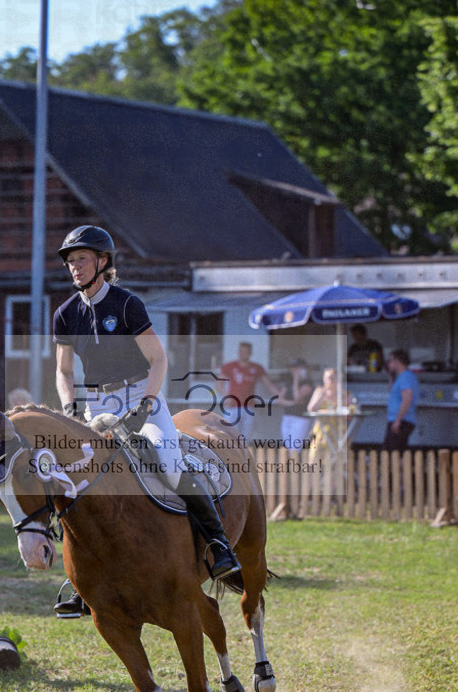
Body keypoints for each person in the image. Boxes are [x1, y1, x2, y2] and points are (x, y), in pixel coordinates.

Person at [52, 224, 242, 618]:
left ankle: (219, 545)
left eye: (82, 259)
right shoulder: (65, 314)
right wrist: (70, 406)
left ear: (103, 262)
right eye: (71, 262)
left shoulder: (126, 305)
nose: (75, 268)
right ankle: (78, 581)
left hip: (141, 395)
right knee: (79, 479)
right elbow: (63, 371)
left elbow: (159, 360)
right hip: (96, 403)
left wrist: (146, 405)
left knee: (168, 465)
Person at [218, 342, 281, 444]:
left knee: (245, 437)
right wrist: (227, 396)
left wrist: (280, 394)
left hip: (248, 406)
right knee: (230, 436)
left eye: (246, 352)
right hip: (232, 406)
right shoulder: (229, 366)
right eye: (241, 351)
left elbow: (268, 384)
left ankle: (243, 459)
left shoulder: (257, 368)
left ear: (250, 353)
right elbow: (218, 384)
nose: (243, 354)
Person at [384, 349, 419, 452]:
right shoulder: (403, 377)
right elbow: (392, 391)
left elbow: (407, 398)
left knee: (392, 452)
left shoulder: (405, 377)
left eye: (390, 361)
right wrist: (391, 375)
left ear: (397, 361)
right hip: (401, 419)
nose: (388, 364)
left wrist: (398, 420)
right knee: (398, 450)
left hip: (401, 420)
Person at [276, 361, 313, 451]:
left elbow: (297, 397)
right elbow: (280, 399)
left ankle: (294, 463)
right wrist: (291, 403)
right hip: (288, 416)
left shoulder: (308, 383)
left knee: (295, 447)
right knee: (287, 446)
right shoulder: (288, 383)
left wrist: (296, 380)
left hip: (300, 418)